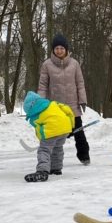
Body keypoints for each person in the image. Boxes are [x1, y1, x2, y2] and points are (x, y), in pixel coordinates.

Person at [38, 33, 90, 165]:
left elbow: (80, 83)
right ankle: (50, 160)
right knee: (54, 133)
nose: (59, 51)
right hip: (56, 107)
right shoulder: (47, 65)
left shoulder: (74, 64)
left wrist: (82, 100)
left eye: (61, 48)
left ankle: (84, 156)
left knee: (79, 133)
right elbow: (43, 85)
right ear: (53, 50)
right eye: (56, 48)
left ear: (66, 49)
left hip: (73, 106)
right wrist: (41, 103)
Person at [22, 90, 75, 182]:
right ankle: (56, 169)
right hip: (65, 127)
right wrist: (70, 126)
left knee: (44, 150)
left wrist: (42, 140)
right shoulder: (53, 104)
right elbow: (67, 110)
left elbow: (39, 130)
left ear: (29, 108)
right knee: (58, 148)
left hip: (52, 129)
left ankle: (42, 171)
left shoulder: (35, 114)